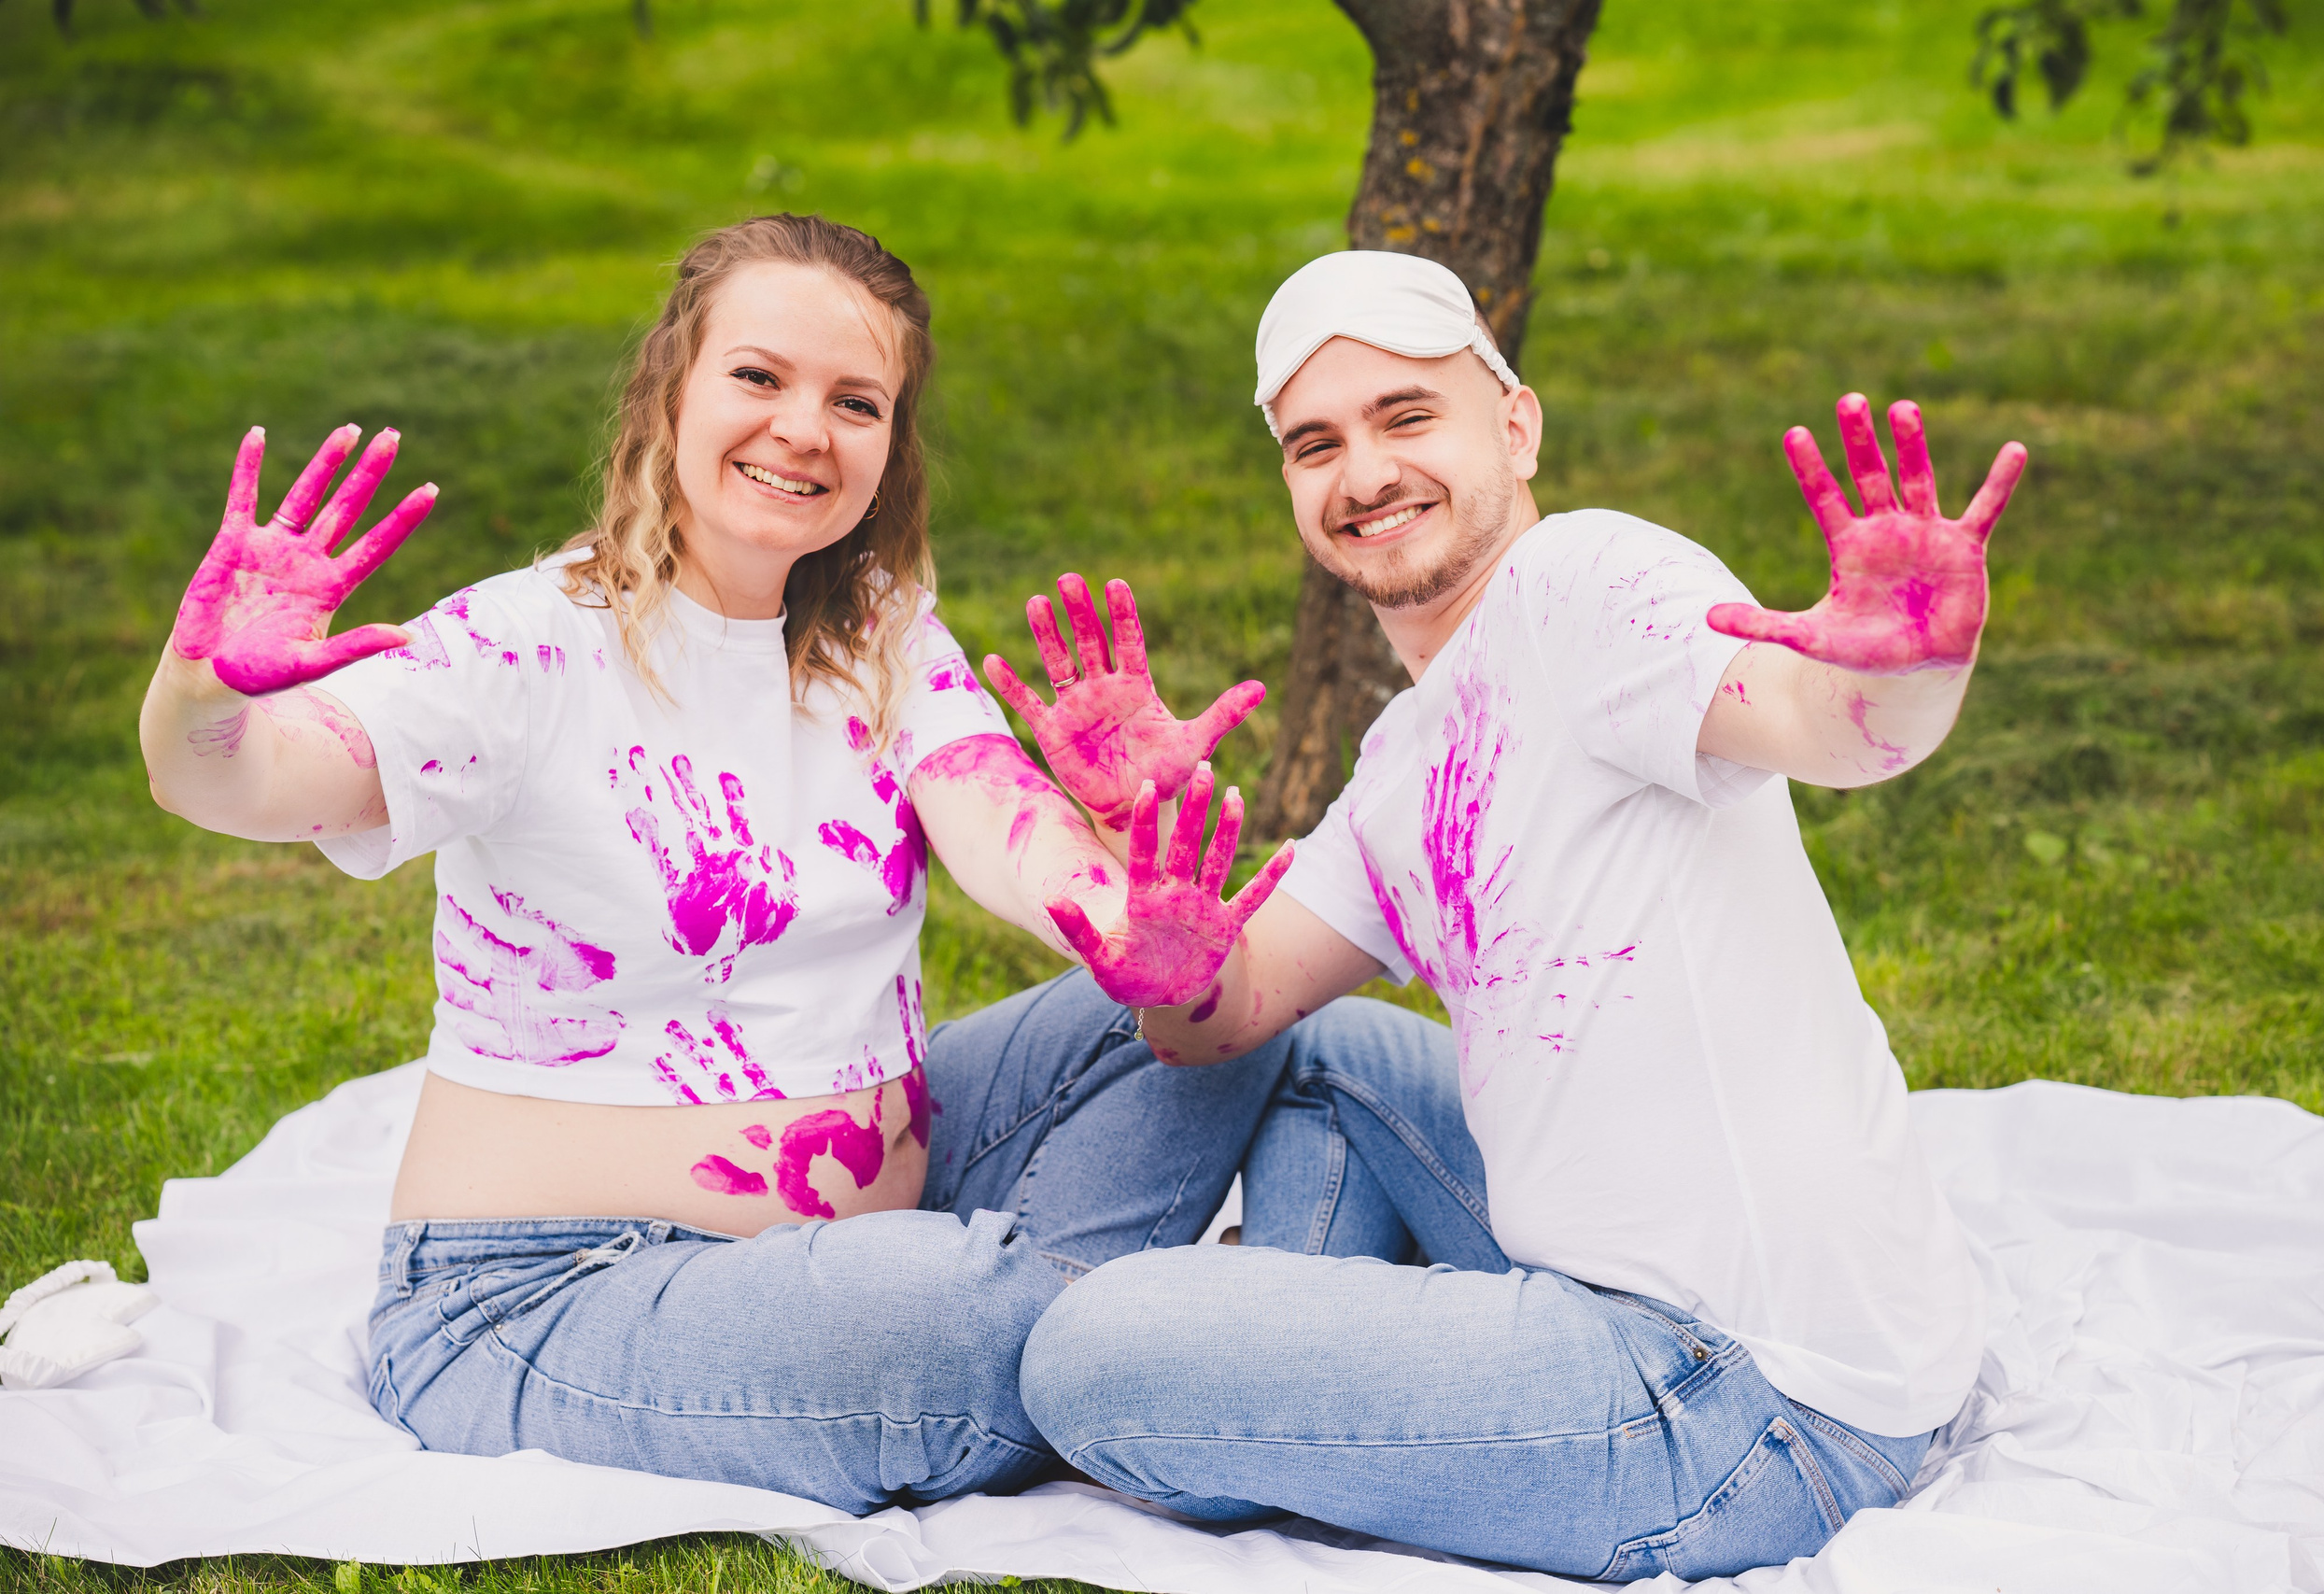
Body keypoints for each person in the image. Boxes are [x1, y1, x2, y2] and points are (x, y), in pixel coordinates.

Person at [135, 212, 1420, 1515]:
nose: (804, 428)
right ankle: (1173, 1354)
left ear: (890, 449)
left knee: (1234, 1013)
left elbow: (998, 827)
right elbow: (233, 778)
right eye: (760, 378)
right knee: (948, 1315)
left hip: (863, 1234)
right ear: (669, 395)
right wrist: (201, 689)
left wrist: (1142, 927)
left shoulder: (877, 634)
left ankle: (1131, 1360)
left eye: (854, 401)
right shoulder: (520, 650)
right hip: (546, 1297)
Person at [1008, 250, 2029, 1581]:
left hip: (1754, 1406)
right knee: (1333, 1063)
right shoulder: (1403, 762)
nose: (1363, 472)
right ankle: (1330, 1383)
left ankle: (1292, 1393)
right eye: (1316, 445)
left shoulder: (1586, 589)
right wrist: (1149, 902)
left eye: (1405, 417)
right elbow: (1231, 1017)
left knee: (1092, 1356)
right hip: (1705, 1321)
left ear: (1517, 424)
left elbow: (1818, 724)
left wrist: (1908, 670)